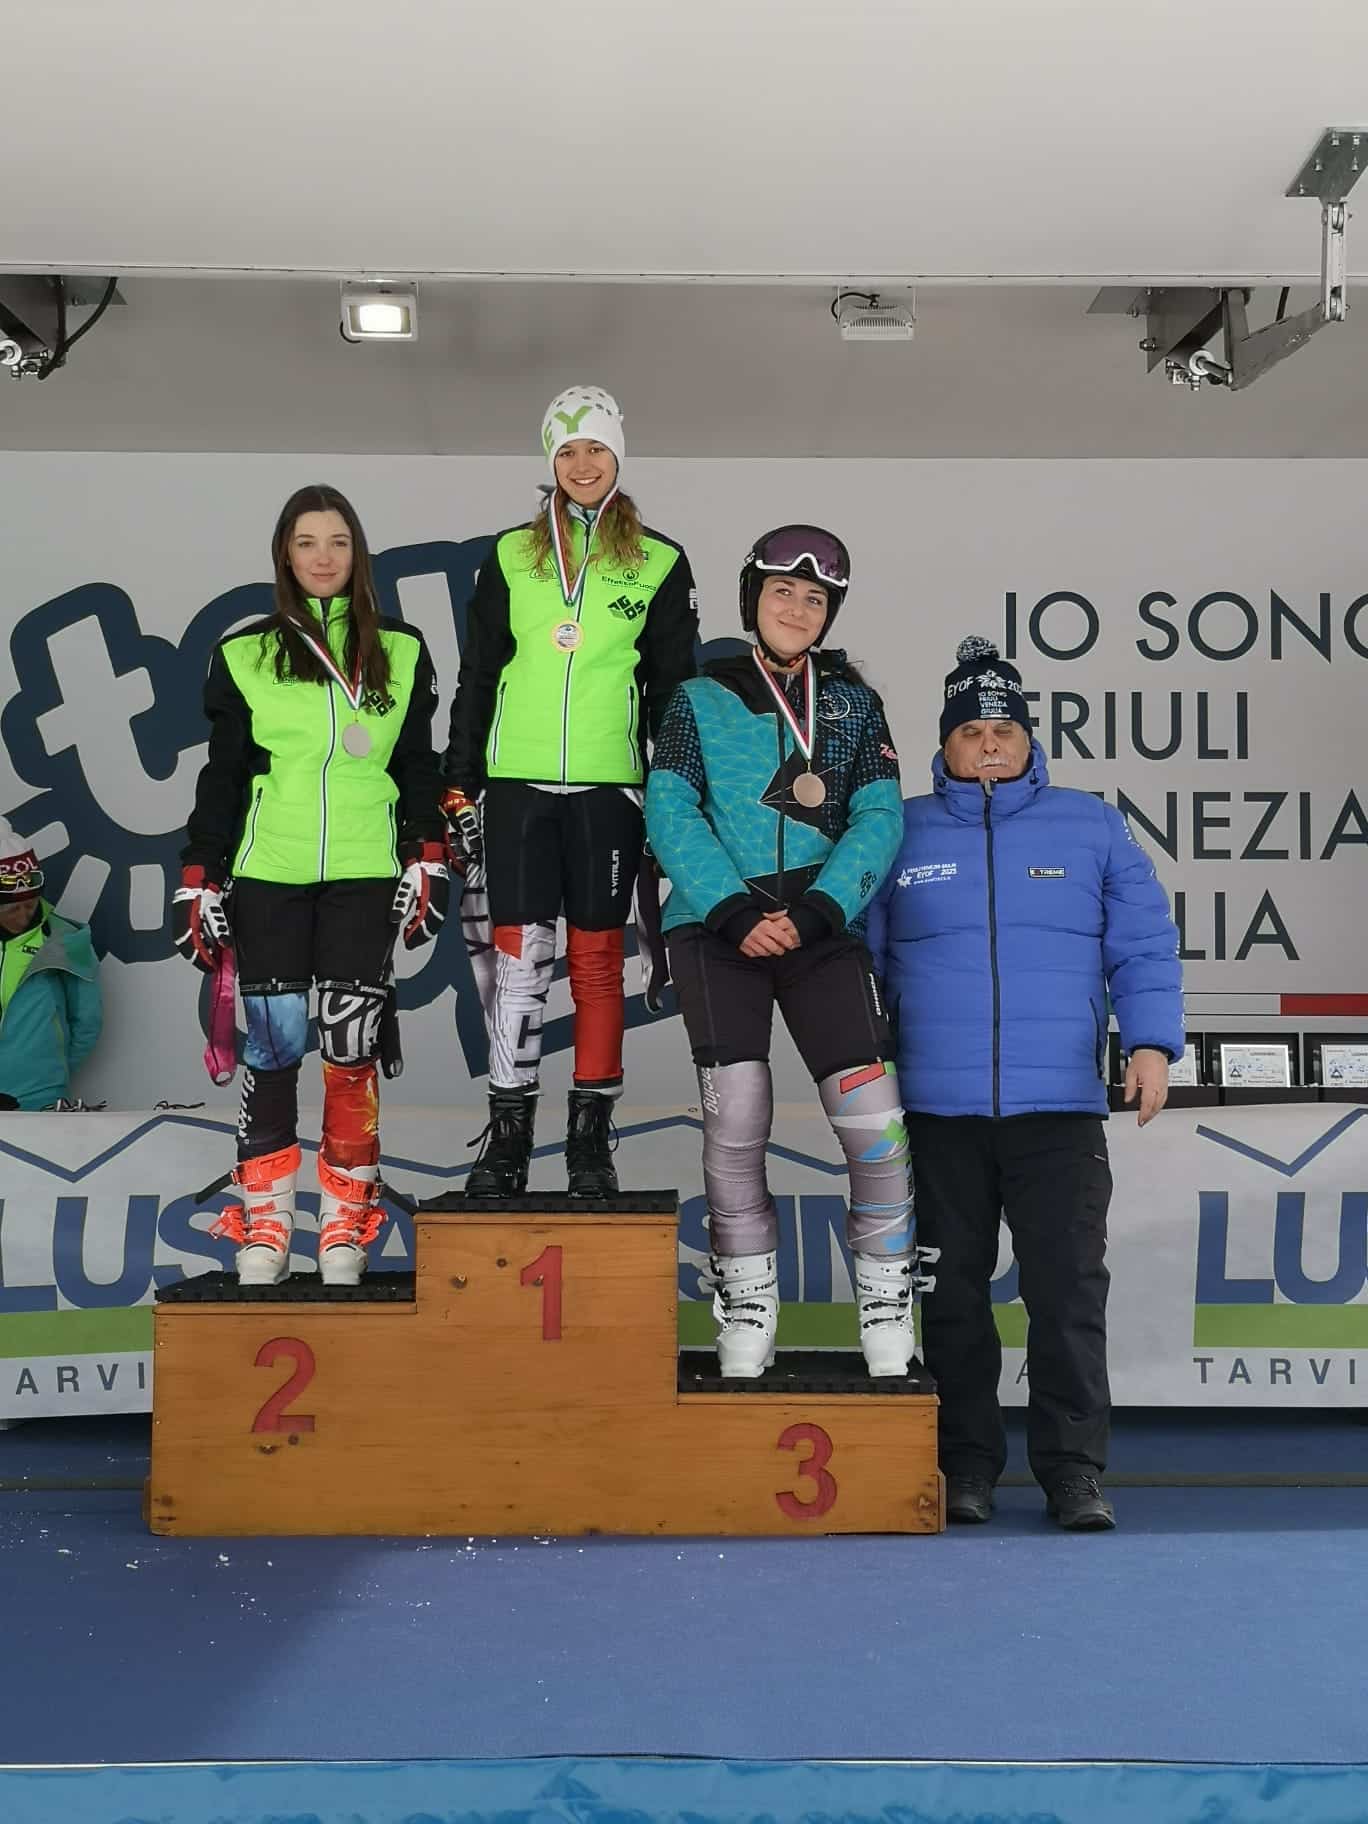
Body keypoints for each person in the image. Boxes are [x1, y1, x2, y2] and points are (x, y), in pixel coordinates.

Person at [867, 636, 1183, 1529]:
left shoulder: (1091, 825)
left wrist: (1151, 1044)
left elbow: (1144, 944)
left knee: (1067, 1294)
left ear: (1029, 738)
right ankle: (964, 1465)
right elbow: (862, 961)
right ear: (945, 743)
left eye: (1004, 729)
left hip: (1059, 1112)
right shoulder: (899, 828)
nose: (990, 745)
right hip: (937, 1111)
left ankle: (1072, 1472)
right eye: (971, 731)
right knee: (951, 1299)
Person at [645, 526, 925, 1380]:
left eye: (814, 598)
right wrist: (733, 911)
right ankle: (747, 1304)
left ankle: (886, 1301)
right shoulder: (698, 698)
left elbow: (880, 817)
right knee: (736, 1122)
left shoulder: (854, 706)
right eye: (781, 592)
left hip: (820, 932)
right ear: (752, 600)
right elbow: (669, 809)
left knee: (875, 1126)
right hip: (717, 931)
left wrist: (819, 911)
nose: (797, 608)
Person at [175, 484, 446, 1286]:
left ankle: (344, 1225)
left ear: (357, 553)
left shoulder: (402, 648)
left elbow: (416, 762)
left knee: (351, 1050)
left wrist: (425, 851)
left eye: (337, 542)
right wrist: (200, 872)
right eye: (306, 543)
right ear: (284, 558)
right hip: (270, 873)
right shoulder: (246, 653)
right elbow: (225, 775)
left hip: (366, 870)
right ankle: (265, 1224)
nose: (323, 557)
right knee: (273, 1047)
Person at [442, 386, 698, 1197]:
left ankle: (590, 1143)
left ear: (618, 456)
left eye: (596, 449)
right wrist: (459, 782)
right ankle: (508, 1138)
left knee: (594, 966)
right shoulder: (509, 556)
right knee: (519, 966)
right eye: (567, 451)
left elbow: (672, 694)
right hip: (516, 787)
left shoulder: (660, 561)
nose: (582, 464)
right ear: (549, 461)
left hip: (608, 791)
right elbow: (478, 674)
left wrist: (673, 795)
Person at [0, 822, 102, 1110]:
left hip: (38, 1094)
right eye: (11, 909)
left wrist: (50, 1072)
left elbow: (87, 1022)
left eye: (30, 904)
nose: (23, 915)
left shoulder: (66, 941)